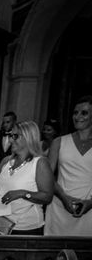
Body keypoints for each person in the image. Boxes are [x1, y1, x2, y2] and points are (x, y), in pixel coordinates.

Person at [0, 121, 54, 235]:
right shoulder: (6, 161)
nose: (10, 140)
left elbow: (47, 197)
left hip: (24, 229)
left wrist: (22, 193)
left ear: (29, 137)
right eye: (10, 136)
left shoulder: (39, 163)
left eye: (15, 136)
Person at [45, 96, 92, 236]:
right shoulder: (59, 142)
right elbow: (47, 177)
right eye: (75, 112)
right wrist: (64, 198)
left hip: (89, 209)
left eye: (84, 113)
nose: (78, 117)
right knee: (53, 253)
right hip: (59, 206)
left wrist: (90, 203)